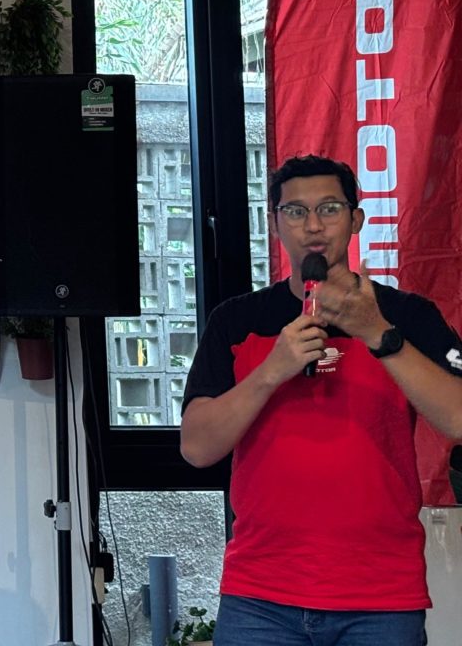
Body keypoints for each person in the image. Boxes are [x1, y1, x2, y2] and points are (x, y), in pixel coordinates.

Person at [181, 154, 462, 645]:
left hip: (380, 596)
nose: (313, 226)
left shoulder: (407, 316)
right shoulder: (237, 320)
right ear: (275, 224)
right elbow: (197, 448)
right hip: (260, 594)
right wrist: (272, 370)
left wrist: (378, 335)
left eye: (329, 209)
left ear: (356, 219)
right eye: (295, 212)